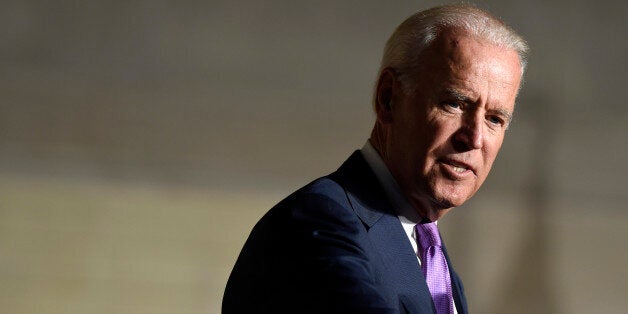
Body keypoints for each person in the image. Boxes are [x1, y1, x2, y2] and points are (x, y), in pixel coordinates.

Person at [222, 4, 528, 314]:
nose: (474, 138)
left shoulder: (439, 269)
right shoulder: (319, 224)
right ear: (388, 98)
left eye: (494, 119)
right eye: (454, 104)